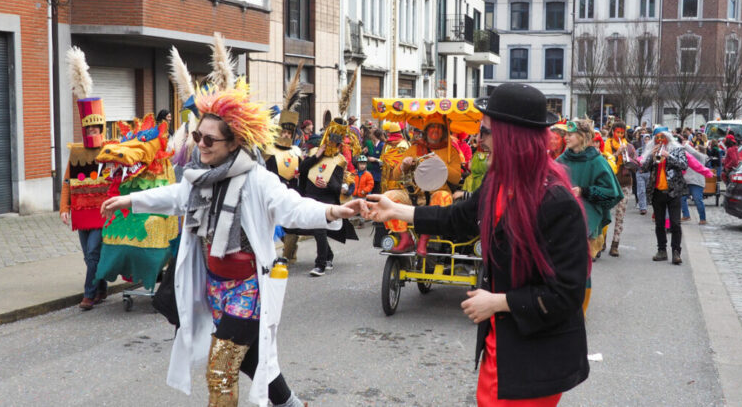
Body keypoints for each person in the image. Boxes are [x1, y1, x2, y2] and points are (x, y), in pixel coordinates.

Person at [100, 85, 364, 407]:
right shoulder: (200, 176)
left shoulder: (257, 179)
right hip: (215, 287)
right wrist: (130, 199)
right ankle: (292, 404)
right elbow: (175, 197)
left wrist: (332, 211)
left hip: (248, 289)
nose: (201, 145)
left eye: (209, 140)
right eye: (198, 137)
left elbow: (291, 206)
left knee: (221, 370)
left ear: (235, 141)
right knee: (252, 358)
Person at [365, 83, 590, 406]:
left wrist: (499, 302)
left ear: (512, 138)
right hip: (503, 345)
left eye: (485, 131)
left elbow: (566, 294)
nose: (477, 140)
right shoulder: (499, 183)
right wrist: (397, 210)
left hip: (535, 358)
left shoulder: (557, 202)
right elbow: (456, 218)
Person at [60, 47, 111, 310]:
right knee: (88, 255)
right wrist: (64, 207)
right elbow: (68, 182)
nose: (92, 130)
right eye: (88, 127)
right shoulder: (77, 152)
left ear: (101, 127)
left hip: (102, 212)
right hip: (82, 212)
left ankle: (89, 294)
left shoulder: (111, 151)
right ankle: (101, 288)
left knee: (93, 253)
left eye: (95, 127)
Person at [383, 113, 462, 255]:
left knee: (443, 197)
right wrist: (404, 166)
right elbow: (395, 175)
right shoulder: (414, 149)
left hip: (437, 196)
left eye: (439, 127)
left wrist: (441, 164)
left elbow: (456, 178)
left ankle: (424, 241)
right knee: (387, 198)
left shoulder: (452, 152)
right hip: (413, 195)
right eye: (432, 126)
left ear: (444, 131)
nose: (435, 130)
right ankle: (405, 238)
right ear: (426, 131)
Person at [299, 118, 359, 276]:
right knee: (317, 231)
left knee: (319, 230)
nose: (332, 145)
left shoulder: (340, 161)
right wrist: (316, 156)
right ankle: (329, 255)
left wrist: (327, 184)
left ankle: (320, 264)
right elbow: (303, 170)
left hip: (326, 202)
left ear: (340, 145)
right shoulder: (314, 153)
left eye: (336, 143)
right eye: (330, 141)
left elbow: (337, 186)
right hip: (310, 199)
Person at [557, 119, 623, 260]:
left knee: (579, 269)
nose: (566, 137)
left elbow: (612, 192)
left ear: (582, 136)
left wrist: (584, 191)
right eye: (566, 134)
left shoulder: (597, 161)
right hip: (562, 219)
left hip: (585, 219)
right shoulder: (562, 159)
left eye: (571, 134)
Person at [641, 127, 688, 265]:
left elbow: (684, 165)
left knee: (675, 223)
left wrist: (669, 156)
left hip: (673, 191)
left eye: (663, 138)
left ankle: (676, 252)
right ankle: (662, 250)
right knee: (659, 223)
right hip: (657, 192)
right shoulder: (652, 151)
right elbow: (643, 168)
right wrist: (651, 156)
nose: (660, 141)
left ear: (668, 139)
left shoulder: (677, 149)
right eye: (657, 139)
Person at [264, 109, 303, 265]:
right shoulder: (269, 151)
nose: (286, 135)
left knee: (291, 225)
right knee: (277, 225)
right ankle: (288, 251)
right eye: (284, 132)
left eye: (289, 133)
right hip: (274, 192)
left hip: (293, 192)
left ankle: (287, 255)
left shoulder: (296, 151)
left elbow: (303, 171)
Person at [602, 120, 638, 257]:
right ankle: (602, 241)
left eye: (622, 133)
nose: (620, 135)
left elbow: (636, 163)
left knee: (620, 215)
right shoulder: (607, 144)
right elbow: (604, 163)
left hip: (625, 183)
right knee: (605, 213)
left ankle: (615, 245)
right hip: (609, 183)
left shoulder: (629, 146)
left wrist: (631, 161)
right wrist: (617, 153)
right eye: (618, 132)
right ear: (613, 131)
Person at [681, 144, 714, 225]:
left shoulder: (701, 156)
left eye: (696, 148)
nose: (694, 150)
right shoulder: (688, 157)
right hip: (687, 181)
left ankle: (703, 219)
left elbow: (693, 152)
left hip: (697, 182)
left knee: (698, 200)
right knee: (681, 198)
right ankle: (686, 215)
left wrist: (685, 144)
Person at [636, 133, 652, 215]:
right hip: (640, 173)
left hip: (649, 173)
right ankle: (643, 208)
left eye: (648, 139)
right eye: (645, 139)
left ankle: (645, 204)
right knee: (641, 190)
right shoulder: (639, 150)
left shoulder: (653, 150)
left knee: (647, 190)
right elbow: (634, 160)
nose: (647, 141)